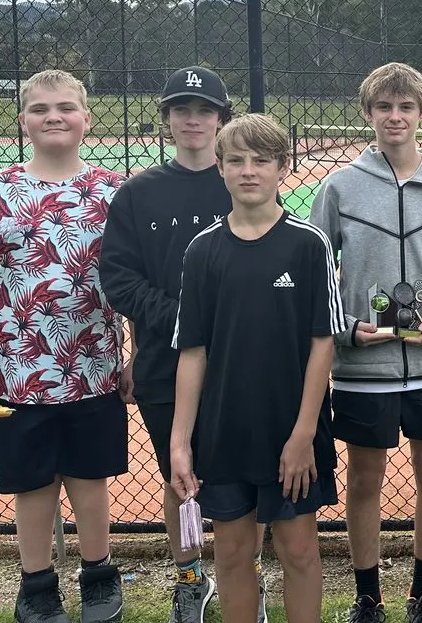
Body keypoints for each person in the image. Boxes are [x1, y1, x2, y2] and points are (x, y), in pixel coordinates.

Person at [0, 69, 127, 623]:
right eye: (41, 108)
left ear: (87, 120)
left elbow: (133, 283)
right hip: (16, 374)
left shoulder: (113, 192)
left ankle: (99, 575)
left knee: (90, 480)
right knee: (33, 484)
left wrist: (138, 351)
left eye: (66, 107)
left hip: (94, 369)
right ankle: (37, 585)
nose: (54, 116)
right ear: (23, 120)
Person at [308, 63, 422, 623]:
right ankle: (367, 596)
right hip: (364, 365)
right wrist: (345, 326)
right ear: (368, 114)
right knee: (365, 477)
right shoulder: (340, 186)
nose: (395, 116)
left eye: (406, 106)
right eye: (385, 107)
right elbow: (318, 275)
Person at [170, 113, 348, 623]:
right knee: (231, 553)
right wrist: (181, 441)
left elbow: (322, 345)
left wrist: (302, 436)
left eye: (262, 160)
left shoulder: (308, 245)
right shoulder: (201, 251)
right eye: (237, 161)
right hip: (224, 434)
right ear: (220, 169)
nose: (249, 171)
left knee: (298, 550)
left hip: (291, 433)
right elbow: (193, 352)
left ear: (282, 168)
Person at [101, 66, 250, 623]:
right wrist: (183, 318)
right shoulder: (139, 193)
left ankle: (243, 576)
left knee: (243, 473)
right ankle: (190, 578)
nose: (193, 119)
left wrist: (230, 321)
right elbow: (119, 278)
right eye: (182, 109)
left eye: (205, 109)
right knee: (179, 473)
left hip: (239, 360)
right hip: (165, 360)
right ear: (167, 120)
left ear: (221, 118)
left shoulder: (240, 179)